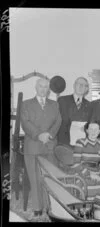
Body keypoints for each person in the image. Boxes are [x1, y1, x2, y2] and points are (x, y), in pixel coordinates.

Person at [20, 78, 62, 216]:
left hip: (49, 145)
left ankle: (49, 207)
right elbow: (25, 123)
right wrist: (39, 135)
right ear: (36, 87)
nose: (43, 89)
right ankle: (37, 208)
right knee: (34, 177)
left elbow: (58, 121)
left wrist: (49, 134)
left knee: (48, 177)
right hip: (33, 146)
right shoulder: (26, 104)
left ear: (48, 89)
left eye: (46, 87)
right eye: (41, 86)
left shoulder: (54, 104)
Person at [61, 121, 100, 207]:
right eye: (91, 129)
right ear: (87, 131)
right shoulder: (80, 142)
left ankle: (98, 215)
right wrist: (89, 175)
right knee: (86, 189)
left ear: (99, 131)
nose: (93, 132)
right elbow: (76, 164)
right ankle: (86, 213)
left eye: (96, 129)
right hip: (81, 174)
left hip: (96, 173)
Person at [57, 77, 93, 146]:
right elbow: (56, 120)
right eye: (78, 84)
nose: (80, 87)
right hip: (64, 142)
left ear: (86, 89)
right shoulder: (62, 101)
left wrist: (85, 128)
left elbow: (90, 124)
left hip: (81, 143)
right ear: (74, 85)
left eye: (83, 85)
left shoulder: (89, 105)